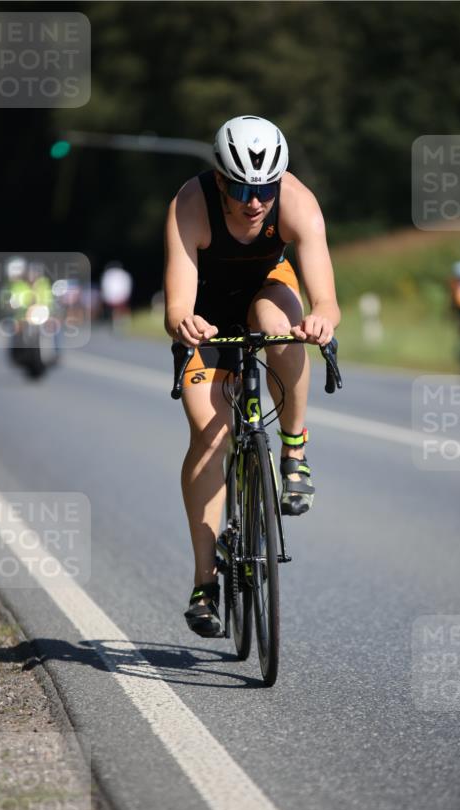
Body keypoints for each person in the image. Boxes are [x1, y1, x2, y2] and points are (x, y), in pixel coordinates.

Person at [164, 115, 341, 636]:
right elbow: (177, 305)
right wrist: (184, 322)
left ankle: (294, 449)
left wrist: (322, 319)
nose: (254, 200)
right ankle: (205, 581)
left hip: (268, 288)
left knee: (281, 327)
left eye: (263, 187)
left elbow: (326, 298)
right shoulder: (189, 206)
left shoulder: (298, 203)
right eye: (241, 187)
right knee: (209, 433)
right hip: (208, 309)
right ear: (220, 179)